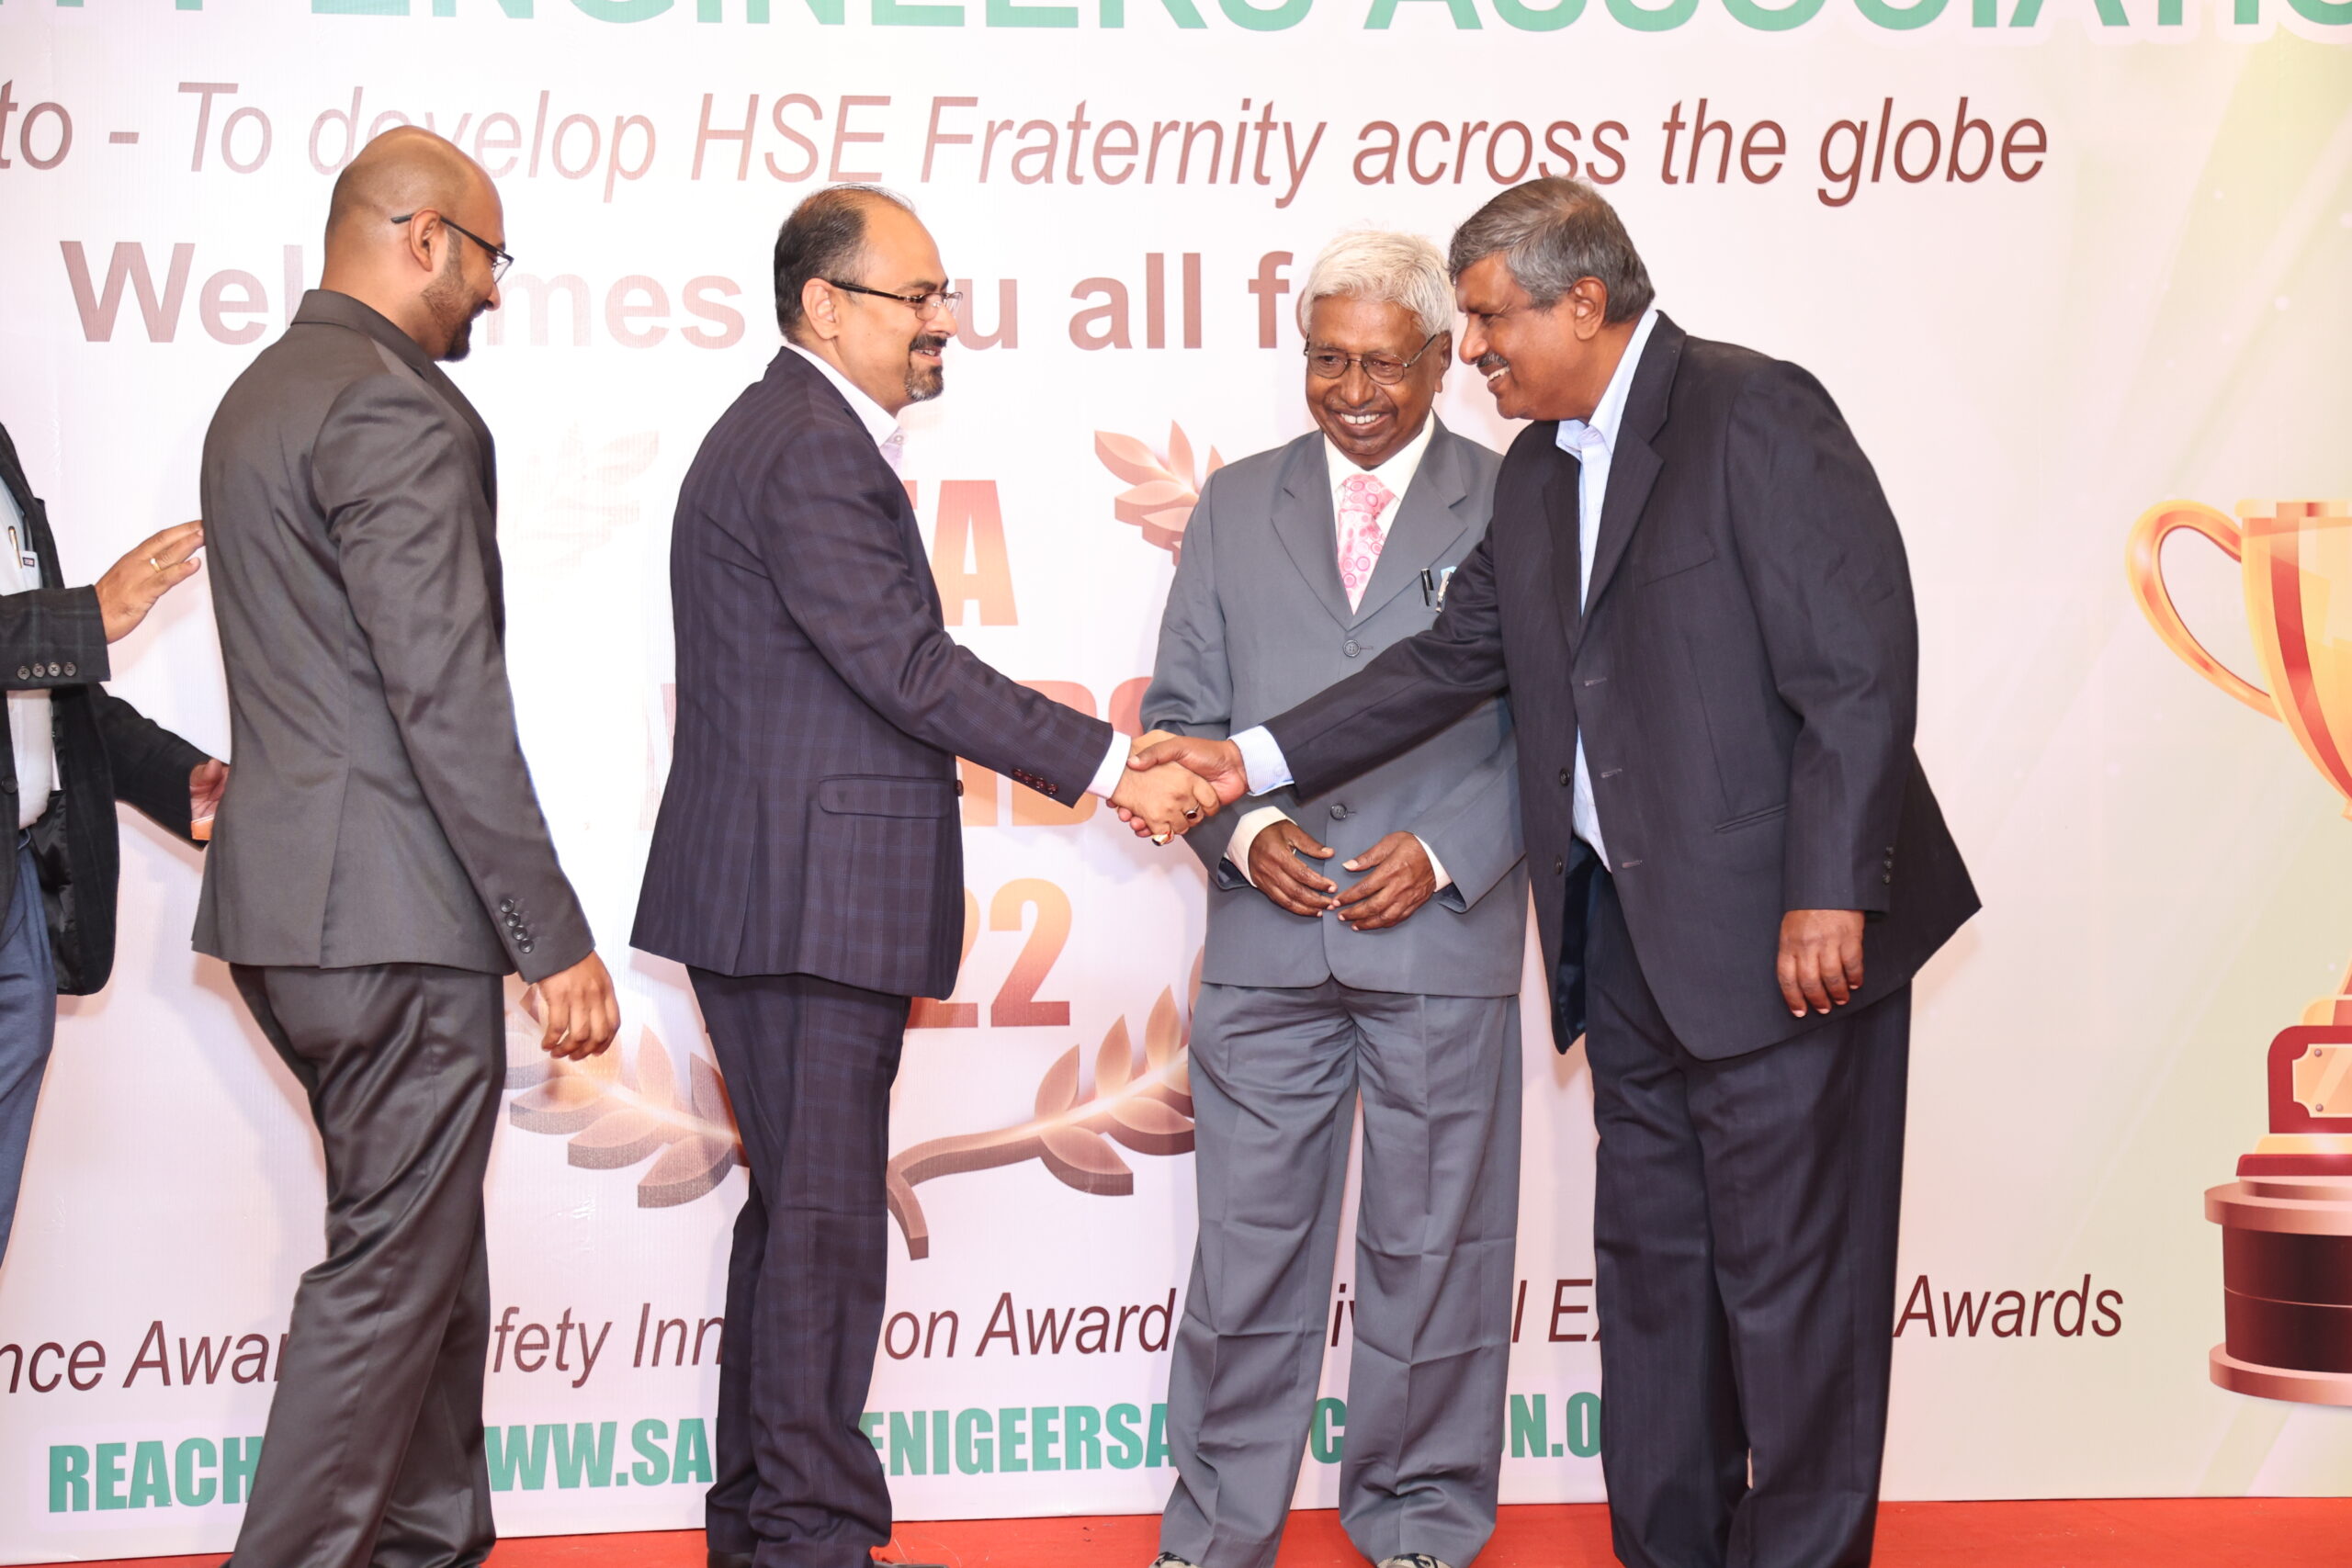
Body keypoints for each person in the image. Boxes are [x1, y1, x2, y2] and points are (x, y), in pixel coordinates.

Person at [1135, 179, 1979, 1568]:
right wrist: (1244, 761)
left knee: (1796, 1304)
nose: (1470, 350)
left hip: (1787, 939)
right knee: (1654, 1295)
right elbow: (1446, 665)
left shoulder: (1751, 410)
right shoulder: (1537, 474)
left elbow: (1857, 667)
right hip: (1626, 942)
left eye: (1484, 320)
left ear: (1583, 302)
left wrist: (1832, 886)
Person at [630, 184, 1217, 1568]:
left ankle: (766, 1525)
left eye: (943, 295)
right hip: (803, 900)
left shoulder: (795, 433)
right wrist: (1112, 762)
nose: (939, 321)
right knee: (823, 1226)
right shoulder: (806, 447)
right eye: (916, 297)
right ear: (824, 305)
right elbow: (906, 668)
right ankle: (813, 1537)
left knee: (799, 1218)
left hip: (789, 893)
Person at [196, 126, 620, 1568]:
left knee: (428, 1257)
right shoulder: (393, 406)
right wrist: (549, 933)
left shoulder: (261, 396)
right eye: (489, 256)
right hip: (388, 919)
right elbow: (443, 695)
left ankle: (431, 1541)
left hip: (297, 921)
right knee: (390, 1275)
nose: (494, 289)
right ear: (425, 235)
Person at [1139, 231, 1524, 1568]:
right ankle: (1213, 1533)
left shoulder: (1519, 498)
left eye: (1384, 364)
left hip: (1441, 932)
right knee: (1246, 1258)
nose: (1353, 392)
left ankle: (1419, 1522)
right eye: (1327, 360)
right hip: (1266, 943)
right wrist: (1242, 833)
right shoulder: (1234, 503)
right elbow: (1183, 717)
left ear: (1442, 360)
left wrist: (1454, 848)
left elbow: (1566, 719)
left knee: (1435, 1255)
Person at [0, 422, 222, 1273]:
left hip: (18, 892)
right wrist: (81, 617)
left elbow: (51, 691)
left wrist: (179, 780)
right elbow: (50, 637)